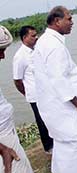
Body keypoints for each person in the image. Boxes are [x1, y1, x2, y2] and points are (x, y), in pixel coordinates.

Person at [32, 6, 77, 173]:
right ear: (57, 21)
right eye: (69, 18)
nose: (72, 22)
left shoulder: (47, 41)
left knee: (64, 144)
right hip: (65, 106)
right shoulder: (53, 46)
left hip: (55, 106)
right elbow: (59, 80)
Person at [0, 25, 35, 173]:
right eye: (0, 50)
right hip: (4, 144)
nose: (3, 56)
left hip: (9, 138)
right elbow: (18, 81)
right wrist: (3, 149)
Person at [13, 25, 53, 154]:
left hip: (46, 92)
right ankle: (48, 147)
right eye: (33, 36)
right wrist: (27, 93)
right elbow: (17, 81)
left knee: (51, 117)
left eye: (37, 35)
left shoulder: (37, 50)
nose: (36, 38)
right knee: (41, 121)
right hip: (35, 96)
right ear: (25, 38)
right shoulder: (20, 56)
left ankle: (56, 141)